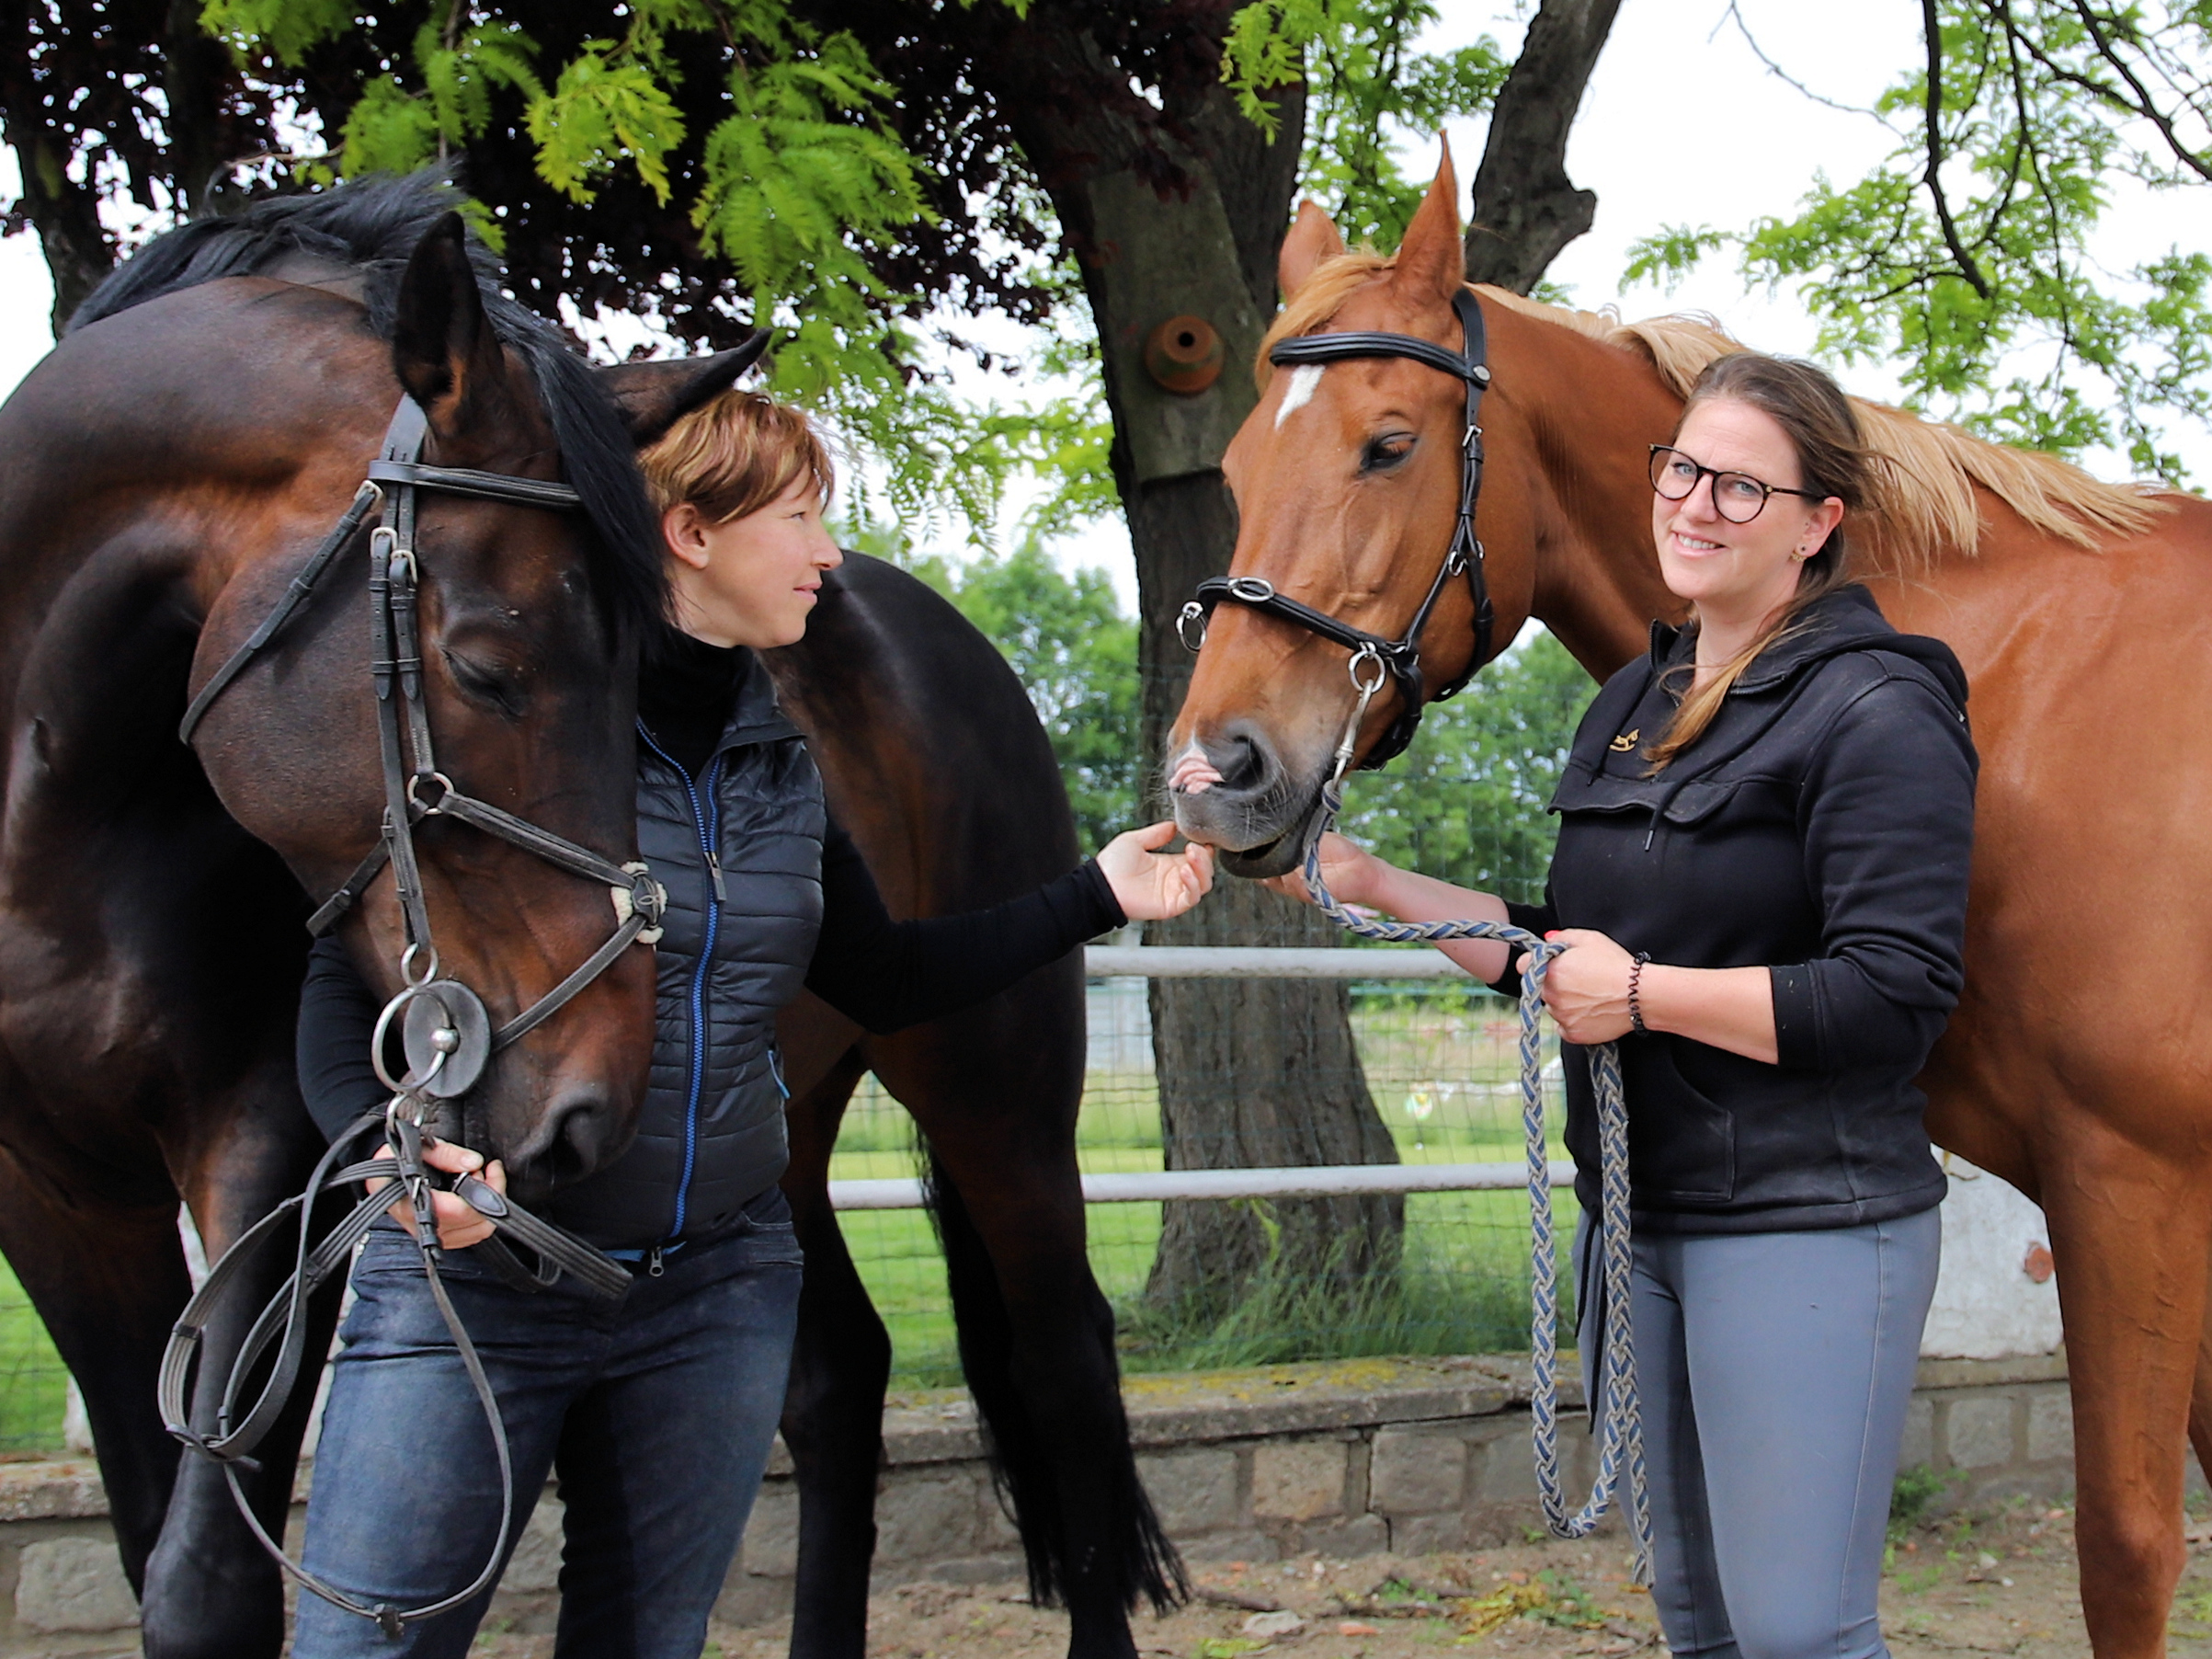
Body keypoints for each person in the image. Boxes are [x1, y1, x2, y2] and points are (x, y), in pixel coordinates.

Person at [289, 387, 1214, 1658]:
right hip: (485, 1286)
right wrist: (382, 1156)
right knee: (367, 1646)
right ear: (689, 534)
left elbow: (878, 979)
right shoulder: (521, 739)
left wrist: (1099, 892)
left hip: (716, 1289)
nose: (829, 552)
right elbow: (341, 988)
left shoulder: (772, 751)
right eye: (799, 517)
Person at [1271, 352, 1976, 1659]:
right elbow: (1569, 957)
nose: (1694, 506)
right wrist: (1374, 881)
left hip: (1801, 1224)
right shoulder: (1626, 707)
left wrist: (1644, 996)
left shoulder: (1877, 709)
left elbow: (1891, 996)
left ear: (1818, 523)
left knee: (1795, 1634)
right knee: (1697, 1624)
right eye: (1682, 469)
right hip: (1633, 1222)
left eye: (1740, 488)